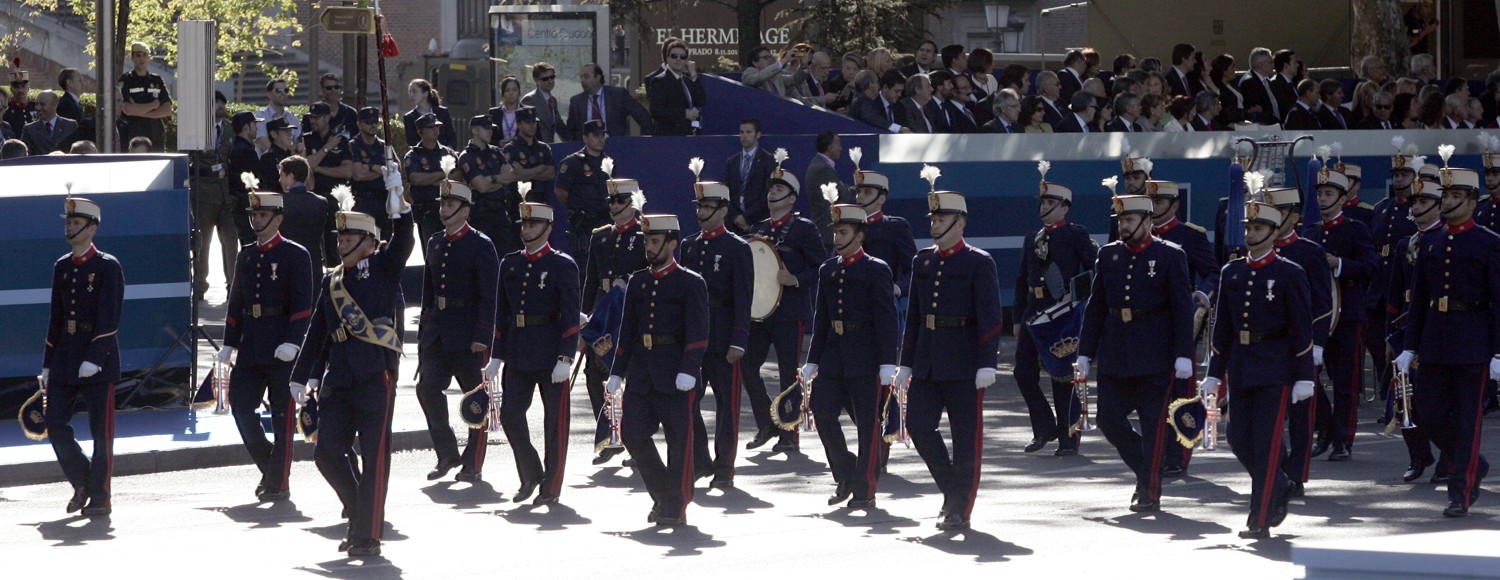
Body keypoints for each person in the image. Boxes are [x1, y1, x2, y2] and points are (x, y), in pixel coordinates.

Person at [289, 190, 414, 557]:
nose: (341, 244)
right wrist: (301, 375)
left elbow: (404, 241)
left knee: (374, 458)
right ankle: (362, 513)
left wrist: (401, 208)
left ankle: (367, 535)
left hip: (374, 375)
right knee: (327, 453)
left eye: (349, 238)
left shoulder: (383, 269)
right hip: (339, 378)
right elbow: (318, 331)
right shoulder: (331, 281)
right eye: (340, 238)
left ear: (369, 242)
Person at [1202, 200, 1314, 539]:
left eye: (1258, 228)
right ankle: (1279, 483)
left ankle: (1259, 518)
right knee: (1238, 439)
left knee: (1266, 444)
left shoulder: (1289, 273)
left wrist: (1304, 376)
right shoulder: (1232, 272)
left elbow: (1301, 329)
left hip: (1275, 367)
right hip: (1241, 365)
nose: (1251, 234)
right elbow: (1222, 328)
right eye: (1248, 228)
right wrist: (1213, 372)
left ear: (1274, 232)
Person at [1075, 194, 1194, 513]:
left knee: (1154, 424)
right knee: (1108, 419)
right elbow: (1097, 306)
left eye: (1129, 220)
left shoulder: (1170, 255)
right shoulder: (1109, 255)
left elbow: (1182, 308)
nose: (1123, 226)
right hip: (1115, 351)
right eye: (1120, 221)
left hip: (1155, 353)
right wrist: (1085, 352)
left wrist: (1183, 353)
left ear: (1148, 221)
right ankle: (1147, 467)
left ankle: (1148, 490)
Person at [897, 185, 1002, 531]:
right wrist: (906, 362)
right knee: (918, 426)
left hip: (964, 362)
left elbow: (990, 316)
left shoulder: (978, 262)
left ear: (960, 222)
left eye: (941, 218)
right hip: (928, 360)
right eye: (933, 218)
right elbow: (914, 316)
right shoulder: (923, 260)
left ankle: (959, 507)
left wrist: (987, 362)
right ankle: (951, 490)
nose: (934, 224)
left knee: (965, 438)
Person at [1395, 163, 1495, 518]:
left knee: (1467, 421)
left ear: (1472, 201)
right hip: (1435, 340)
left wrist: (1498, 352)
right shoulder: (1431, 242)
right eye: (1446, 195)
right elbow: (1420, 299)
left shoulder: (1489, 242)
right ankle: (1473, 462)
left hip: (1473, 341)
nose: (1449, 201)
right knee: (1429, 412)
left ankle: (1460, 493)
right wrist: (1409, 346)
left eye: (1456, 196)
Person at [606, 213, 710, 526]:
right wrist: (616, 372)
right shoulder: (638, 281)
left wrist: (689, 368)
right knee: (632, 433)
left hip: (676, 374)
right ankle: (664, 494)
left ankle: (675, 506)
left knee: (679, 443)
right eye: (646, 242)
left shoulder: (690, 282)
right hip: (642, 373)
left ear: (672, 243)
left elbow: (698, 332)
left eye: (654, 241)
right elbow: (627, 331)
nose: (649, 248)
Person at [216, 191, 313, 503]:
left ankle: (278, 483)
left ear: (278, 218)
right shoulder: (246, 255)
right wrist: (229, 343)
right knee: (241, 408)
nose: (256, 220)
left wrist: (293, 341)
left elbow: (302, 304)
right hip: (252, 344)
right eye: (254, 215)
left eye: (262, 215)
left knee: (283, 417)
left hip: (282, 344)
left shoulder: (295, 254)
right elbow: (237, 302)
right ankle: (272, 467)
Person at [803, 203, 899, 508]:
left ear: (860, 235)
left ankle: (865, 489)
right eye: (835, 232)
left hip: (865, 356)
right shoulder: (828, 269)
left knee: (867, 425)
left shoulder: (876, 269)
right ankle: (845, 473)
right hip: (833, 356)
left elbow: (887, 319)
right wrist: (812, 360)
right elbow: (821, 318)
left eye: (843, 232)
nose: (837, 238)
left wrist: (888, 362)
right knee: (822, 411)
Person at [488, 200, 581, 504]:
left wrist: (565, 357)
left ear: (548, 228)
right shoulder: (510, 263)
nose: (527, 230)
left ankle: (551, 487)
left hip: (551, 351)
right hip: (518, 351)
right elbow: (502, 313)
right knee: (510, 414)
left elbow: (570, 315)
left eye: (533, 224)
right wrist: (496, 355)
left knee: (554, 424)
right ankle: (530, 473)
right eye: (524, 224)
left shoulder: (561, 264)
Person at [43, 197, 123, 517]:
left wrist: (95, 357)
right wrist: (47, 363)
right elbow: (56, 317)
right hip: (65, 356)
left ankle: (100, 497)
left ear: (92, 228)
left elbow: (110, 317)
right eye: (68, 222)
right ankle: (82, 481)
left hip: (97, 359)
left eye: (76, 223)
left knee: (101, 433)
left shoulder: (107, 266)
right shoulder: (62, 266)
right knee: (54, 423)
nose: (69, 227)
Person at [414, 180, 498, 483]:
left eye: (450, 205)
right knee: (427, 388)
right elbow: (429, 292)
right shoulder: (435, 242)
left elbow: (490, 295)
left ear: (465, 210)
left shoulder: (480, 244)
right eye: (442, 204)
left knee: (475, 399)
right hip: (439, 330)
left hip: (468, 331)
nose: (444, 210)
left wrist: (483, 334)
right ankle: (447, 453)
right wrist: (424, 333)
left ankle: (473, 462)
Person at [742, 163, 825, 453]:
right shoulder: (759, 228)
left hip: (790, 312)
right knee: (747, 366)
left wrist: (796, 279)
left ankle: (789, 433)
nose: (772, 193)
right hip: (760, 313)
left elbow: (820, 266)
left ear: (792, 198)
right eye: (771, 189)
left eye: (779, 189)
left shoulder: (804, 228)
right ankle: (768, 423)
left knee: (788, 373)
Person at [1015, 166, 1096, 455]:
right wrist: (1017, 318)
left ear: (1064, 207)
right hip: (1034, 313)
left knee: (1062, 378)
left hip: (1063, 314)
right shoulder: (1032, 238)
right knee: (1023, 372)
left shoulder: (1075, 234)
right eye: (1043, 202)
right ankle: (1044, 428)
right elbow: (1022, 279)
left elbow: (1094, 269)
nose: (1044, 207)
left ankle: (1068, 438)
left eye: (1051, 202)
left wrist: (1078, 298)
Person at [1259, 186, 1334, 497]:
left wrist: (1317, 344)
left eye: (1280, 212)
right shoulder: (1257, 252)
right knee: (1267, 414)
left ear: (1294, 216)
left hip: (1300, 344)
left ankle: (1296, 475)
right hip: (1265, 346)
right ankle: (1275, 468)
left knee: (1301, 415)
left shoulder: (1309, 252)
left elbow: (1323, 303)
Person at [1301, 169, 1378, 462]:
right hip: (1318, 317)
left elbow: (1371, 267)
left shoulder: (1355, 229)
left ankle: (1343, 439)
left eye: (1329, 194)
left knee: (1345, 381)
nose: (1322, 199)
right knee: (1308, 373)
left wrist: (1340, 264)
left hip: (1347, 314)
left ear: (1343, 198)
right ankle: (1325, 426)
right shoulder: (1311, 233)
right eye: (1320, 193)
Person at [1144, 179, 1219, 477]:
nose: (1153, 208)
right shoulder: (1139, 234)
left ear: (1174, 205)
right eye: (1149, 202)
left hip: (1180, 320)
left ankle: (1178, 454)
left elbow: (1212, 273)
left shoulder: (1189, 236)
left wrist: (1202, 295)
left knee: (1180, 390)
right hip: (1145, 323)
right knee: (1150, 392)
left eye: (1159, 202)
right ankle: (1154, 451)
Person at [682, 179, 753, 489]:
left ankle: (724, 465)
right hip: (694, 337)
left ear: (724, 210)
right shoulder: (689, 245)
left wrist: (739, 339)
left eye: (708, 207)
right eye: (699, 206)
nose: (701, 213)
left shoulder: (737, 248)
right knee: (688, 400)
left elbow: (743, 298)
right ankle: (700, 460)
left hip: (724, 336)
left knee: (726, 404)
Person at [1384, 175, 1448, 483]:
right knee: (1403, 398)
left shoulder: (1446, 240)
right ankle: (1418, 455)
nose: (1417, 207)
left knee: (1438, 400)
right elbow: (1394, 292)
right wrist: (1389, 335)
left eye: (1424, 201)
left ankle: (1448, 459)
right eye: (1414, 201)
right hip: (1407, 327)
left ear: (1439, 206)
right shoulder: (1405, 243)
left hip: (1436, 325)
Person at [581, 174, 647, 465]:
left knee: (631, 378)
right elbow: (590, 281)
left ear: (632, 203)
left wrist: (628, 281)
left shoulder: (644, 234)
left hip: (630, 314)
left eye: (620, 200)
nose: (614, 206)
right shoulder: (600, 236)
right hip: (602, 314)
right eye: (611, 200)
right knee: (594, 374)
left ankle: (636, 443)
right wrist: (584, 319)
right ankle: (610, 435)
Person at [457, 115, 517, 255]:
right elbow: (481, 187)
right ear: (475, 131)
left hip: (501, 211)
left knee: (505, 253)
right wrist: (501, 180)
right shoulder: (467, 156)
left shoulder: (496, 151)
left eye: (491, 128)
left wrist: (492, 178)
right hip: (481, 215)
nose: (490, 131)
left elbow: (513, 175)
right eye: (486, 128)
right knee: (484, 255)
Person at [556, 119, 611, 261]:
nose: (600, 139)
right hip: (583, 224)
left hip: (604, 221)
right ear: (585, 138)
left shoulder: (608, 162)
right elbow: (560, 192)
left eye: (602, 135)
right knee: (585, 265)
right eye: (595, 135)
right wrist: (577, 208)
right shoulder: (572, 162)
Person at [403, 113, 460, 248]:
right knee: (431, 251)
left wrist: (433, 180)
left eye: (437, 127)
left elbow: (458, 176)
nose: (435, 130)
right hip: (427, 211)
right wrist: (443, 174)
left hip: (450, 209)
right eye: (430, 127)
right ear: (420, 131)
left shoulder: (448, 153)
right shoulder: (414, 155)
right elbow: (416, 179)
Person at [277, 156, 340, 270]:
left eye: (281, 175)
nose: (279, 180)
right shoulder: (321, 202)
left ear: (291, 176)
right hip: (313, 263)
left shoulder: (281, 202)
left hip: (287, 262)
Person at [564, 63, 653, 139]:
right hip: (587, 149)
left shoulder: (618, 95)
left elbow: (641, 115)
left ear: (598, 77)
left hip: (614, 145)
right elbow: (571, 132)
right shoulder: (576, 102)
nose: (582, 80)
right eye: (581, 77)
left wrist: (650, 139)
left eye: (586, 77)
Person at [724, 118, 777, 232]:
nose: (744, 136)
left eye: (748, 132)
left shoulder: (768, 160)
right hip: (734, 224)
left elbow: (768, 192)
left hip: (758, 222)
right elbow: (726, 192)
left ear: (758, 135)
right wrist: (735, 217)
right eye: (741, 132)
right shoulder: (732, 162)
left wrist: (746, 217)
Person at [117, 42, 172, 151]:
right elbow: (127, 109)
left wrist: (139, 111)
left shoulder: (157, 80)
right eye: (138, 55)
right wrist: (153, 105)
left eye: (145, 55)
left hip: (156, 137)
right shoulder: (126, 80)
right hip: (134, 136)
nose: (141, 58)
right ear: (132, 58)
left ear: (149, 58)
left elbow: (167, 110)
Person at [646, 37, 706, 136]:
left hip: (688, 134)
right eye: (674, 56)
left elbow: (701, 101)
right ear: (667, 58)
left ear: (686, 60)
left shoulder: (687, 80)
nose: (678, 59)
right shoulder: (659, 81)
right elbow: (656, 111)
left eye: (682, 57)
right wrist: (684, 114)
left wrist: (694, 75)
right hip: (669, 137)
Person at [501, 107, 556, 209]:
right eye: (528, 122)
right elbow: (517, 175)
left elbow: (551, 173)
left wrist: (526, 173)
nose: (532, 126)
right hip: (518, 202)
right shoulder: (511, 148)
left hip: (540, 200)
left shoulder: (543, 147)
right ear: (518, 124)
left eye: (534, 122)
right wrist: (540, 168)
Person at [347, 107, 391, 230]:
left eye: (375, 122)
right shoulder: (353, 145)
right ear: (359, 124)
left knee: (386, 238)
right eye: (368, 122)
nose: (373, 125)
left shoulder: (384, 146)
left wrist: (370, 166)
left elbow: (394, 171)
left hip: (384, 201)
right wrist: (383, 171)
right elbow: (358, 175)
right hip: (363, 201)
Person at [805, 131, 849, 252]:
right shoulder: (823, 169)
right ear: (830, 148)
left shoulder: (820, 164)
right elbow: (840, 196)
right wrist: (848, 190)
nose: (841, 149)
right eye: (838, 144)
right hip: (827, 233)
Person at [302, 102, 353, 196]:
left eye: (316, 117)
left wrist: (318, 169)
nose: (312, 121)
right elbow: (305, 166)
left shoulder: (340, 140)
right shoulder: (305, 140)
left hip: (336, 194)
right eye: (311, 117)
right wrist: (326, 148)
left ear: (327, 118)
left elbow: (347, 172)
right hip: (314, 194)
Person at [850, 69, 909, 134]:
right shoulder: (862, 101)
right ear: (871, 85)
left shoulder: (899, 106)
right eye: (877, 82)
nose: (879, 86)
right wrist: (897, 128)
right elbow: (873, 118)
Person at [403, 79, 458, 149]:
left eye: (414, 91)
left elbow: (452, 138)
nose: (411, 95)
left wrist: (448, 151)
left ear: (425, 93)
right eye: (409, 91)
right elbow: (412, 142)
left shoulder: (442, 112)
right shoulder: (409, 117)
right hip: (423, 154)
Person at [21, 91, 77, 155]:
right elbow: (25, 155)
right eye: (36, 104)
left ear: (54, 105)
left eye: (42, 104)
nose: (38, 108)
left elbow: (76, 152)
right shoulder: (29, 129)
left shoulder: (70, 126)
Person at [520, 64, 564, 143]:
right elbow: (525, 128)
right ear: (536, 80)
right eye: (545, 79)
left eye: (552, 77)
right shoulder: (529, 100)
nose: (550, 81)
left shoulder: (553, 101)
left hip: (550, 146)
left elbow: (559, 126)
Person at [256, 78, 302, 153]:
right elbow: (263, 142)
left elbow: (298, 143)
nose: (283, 93)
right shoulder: (261, 116)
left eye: (286, 90)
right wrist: (283, 157)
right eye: (279, 90)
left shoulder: (292, 118)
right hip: (269, 160)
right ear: (269, 94)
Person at [256, 117, 299, 194]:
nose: (290, 134)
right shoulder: (268, 158)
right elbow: (274, 186)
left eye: (290, 131)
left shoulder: (290, 155)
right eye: (286, 131)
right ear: (274, 134)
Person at [316, 74, 359, 138]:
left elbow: (357, 138)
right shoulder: (315, 112)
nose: (333, 90)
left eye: (336, 87)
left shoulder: (351, 113)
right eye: (329, 88)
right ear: (322, 90)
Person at [490, 76, 525, 146]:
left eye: (514, 90)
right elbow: (489, 137)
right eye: (507, 90)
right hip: (500, 150)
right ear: (502, 94)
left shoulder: (526, 111)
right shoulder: (494, 113)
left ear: (519, 92)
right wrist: (498, 143)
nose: (511, 93)